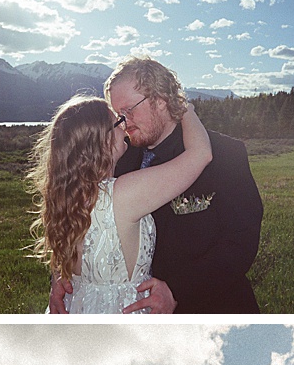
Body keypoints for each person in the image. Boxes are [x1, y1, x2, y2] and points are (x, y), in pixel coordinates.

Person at [48, 58, 264, 316]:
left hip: (209, 310)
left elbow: (241, 242)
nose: (123, 123)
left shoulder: (225, 154)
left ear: (161, 100)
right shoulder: (115, 157)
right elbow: (77, 219)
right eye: (118, 116)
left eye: (129, 111)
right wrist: (64, 275)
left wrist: (177, 290)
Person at [27, 92, 213, 313]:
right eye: (117, 121)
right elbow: (201, 154)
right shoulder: (122, 194)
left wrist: (58, 277)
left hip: (76, 304)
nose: (124, 127)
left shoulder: (66, 194)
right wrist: (184, 106)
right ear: (103, 139)